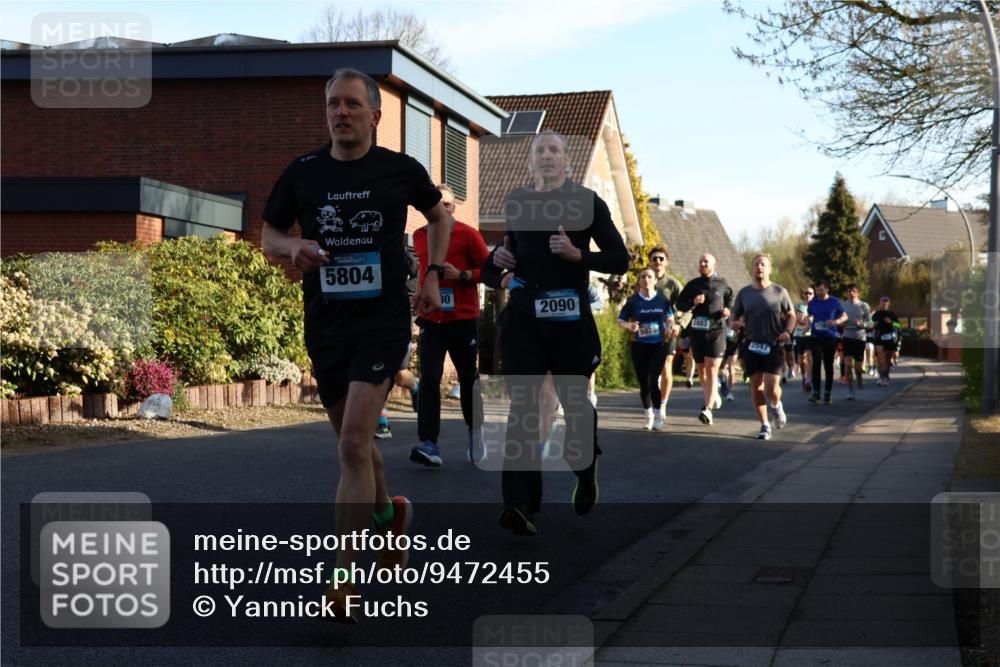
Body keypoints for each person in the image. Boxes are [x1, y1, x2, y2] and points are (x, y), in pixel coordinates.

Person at [261, 68, 451, 622]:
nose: (340, 113)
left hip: (382, 323)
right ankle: (390, 516)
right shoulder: (303, 172)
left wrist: (433, 275)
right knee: (359, 445)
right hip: (326, 325)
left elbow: (438, 216)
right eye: (332, 105)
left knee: (350, 445)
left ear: (375, 114)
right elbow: (268, 234)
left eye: (350, 104)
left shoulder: (400, 169)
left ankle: (343, 578)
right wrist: (291, 248)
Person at [481, 129, 629, 536]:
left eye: (554, 150)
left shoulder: (587, 202)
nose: (546, 156)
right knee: (524, 408)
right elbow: (494, 266)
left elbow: (620, 259)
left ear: (567, 160)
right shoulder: (518, 202)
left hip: (569, 321)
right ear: (531, 161)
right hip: (525, 320)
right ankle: (519, 505)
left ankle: (585, 466)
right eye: (540, 150)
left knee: (575, 404)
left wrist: (578, 255)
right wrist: (498, 260)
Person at [409, 184, 491, 466]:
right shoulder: (419, 236)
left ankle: (476, 432)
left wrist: (462, 275)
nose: (442, 209)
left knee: (468, 379)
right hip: (432, 319)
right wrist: (419, 294)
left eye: (447, 204)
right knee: (429, 378)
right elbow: (422, 273)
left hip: (463, 319)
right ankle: (429, 443)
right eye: (437, 204)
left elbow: (490, 272)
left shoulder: (468, 234)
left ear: (454, 207)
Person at [730, 254, 795, 440]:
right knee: (756, 385)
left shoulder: (779, 291)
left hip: (773, 343)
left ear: (769, 269)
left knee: (771, 387)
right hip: (751, 344)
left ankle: (776, 405)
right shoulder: (744, 293)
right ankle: (765, 425)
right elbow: (734, 316)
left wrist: (787, 332)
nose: (759, 267)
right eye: (756, 264)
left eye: (763, 264)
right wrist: (734, 323)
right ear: (752, 269)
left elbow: (791, 315)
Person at [675, 254, 734, 425]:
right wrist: (693, 302)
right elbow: (680, 304)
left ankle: (707, 408)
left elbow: (730, 299)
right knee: (701, 370)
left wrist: (728, 310)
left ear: (714, 264)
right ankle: (712, 395)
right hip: (698, 332)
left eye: (706, 261)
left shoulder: (722, 283)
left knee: (712, 368)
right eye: (700, 261)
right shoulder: (693, 284)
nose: (702, 264)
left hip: (716, 330)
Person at [618, 267, 677, 430]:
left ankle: (658, 415)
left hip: (659, 345)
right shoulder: (633, 301)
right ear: (639, 281)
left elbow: (670, 317)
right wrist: (630, 325)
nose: (646, 279)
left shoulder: (663, 300)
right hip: (639, 345)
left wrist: (670, 327)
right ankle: (648, 413)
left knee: (652, 380)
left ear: (655, 280)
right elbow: (620, 321)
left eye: (650, 277)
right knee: (644, 383)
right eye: (643, 277)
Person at [648, 245, 683, 419]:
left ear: (666, 262)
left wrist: (679, 323)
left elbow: (685, 306)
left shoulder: (673, 284)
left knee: (666, 366)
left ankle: (662, 404)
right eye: (654, 258)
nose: (658, 261)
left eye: (661, 258)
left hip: (667, 330)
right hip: (647, 331)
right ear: (650, 261)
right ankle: (650, 402)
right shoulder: (644, 280)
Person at [807, 280, 847, 404]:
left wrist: (835, 322)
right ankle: (816, 392)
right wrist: (808, 324)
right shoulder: (812, 303)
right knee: (816, 363)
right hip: (816, 336)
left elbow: (845, 316)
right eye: (817, 290)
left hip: (830, 337)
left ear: (827, 289)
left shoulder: (835, 302)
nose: (819, 292)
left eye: (821, 290)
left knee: (828, 365)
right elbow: (810, 316)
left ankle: (827, 392)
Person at [840, 283, 872, 400]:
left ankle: (859, 376)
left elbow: (870, 323)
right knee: (847, 363)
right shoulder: (842, 306)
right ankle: (850, 390)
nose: (851, 293)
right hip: (847, 336)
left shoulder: (864, 306)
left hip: (860, 338)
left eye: (854, 291)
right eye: (849, 291)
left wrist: (862, 324)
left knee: (858, 367)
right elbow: (837, 320)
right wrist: (841, 324)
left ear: (858, 293)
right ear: (846, 293)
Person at [872, 295, 901, 385]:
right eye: (883, 301)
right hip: (879, 337)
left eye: (886, 302)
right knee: (880, 357)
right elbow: (871, 324)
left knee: (887, 359)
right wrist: (874, 324)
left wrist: (891, 322)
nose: (884, 303)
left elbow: (898, 325)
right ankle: (881, 377)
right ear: (880, 303)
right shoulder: (876, 314)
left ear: (888, 303)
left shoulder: (892, 314)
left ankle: (886, 376)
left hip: (889, 338)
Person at [793, 287, 814, 393]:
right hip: (799, 334)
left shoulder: (816, 306)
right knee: (801, 360)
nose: (808, 295)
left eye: (810, 293)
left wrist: (811, 320)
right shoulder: (798, 306)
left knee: (809, 357)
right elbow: (797, 320)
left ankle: (809, 380)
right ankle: (804, 377)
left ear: (813, 295)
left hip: (811, 335)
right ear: (803, 294)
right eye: (806, 293)